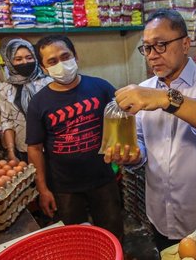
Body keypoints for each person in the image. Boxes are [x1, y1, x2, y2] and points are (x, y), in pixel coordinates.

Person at [104, 9, 196, 251]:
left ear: (185, 44)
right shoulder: (144, 90)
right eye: (147, 48)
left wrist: (167, 99)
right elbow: (140, 141)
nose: (153, 55)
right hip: (160, 213)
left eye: (161, 45)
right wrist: (134, 155)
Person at [26, 35, 123, 240]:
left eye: (65, 56)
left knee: (113, 234)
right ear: (44, 68)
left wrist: (121, 154)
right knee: (77, 241)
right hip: (64, 187)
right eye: (52, 61)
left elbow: (121, 121)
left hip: (103, 179)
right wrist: (42, 189)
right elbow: (34, 148)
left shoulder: (101, 88)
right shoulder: (38, 103)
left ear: (76, 56)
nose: (61, 64)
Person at [0, 38, 53, 162]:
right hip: (24, 148)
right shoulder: (5, 89)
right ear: (9, 62)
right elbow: (7, 121)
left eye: (29, 57)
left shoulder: (49, 82)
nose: (25, 62)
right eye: (18, 59)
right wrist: (11, 151)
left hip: (52, 146)